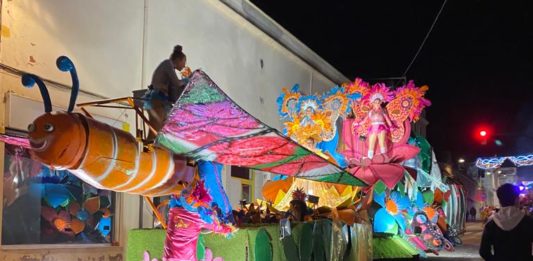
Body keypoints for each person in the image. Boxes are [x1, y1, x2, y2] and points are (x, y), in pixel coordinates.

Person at [145, 45, 188, 142]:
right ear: (178, 60)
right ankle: (149, 149)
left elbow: (174, 90)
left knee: (166, 127)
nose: (184, 65)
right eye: (184, 62)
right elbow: (177, 83)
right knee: (155, 130)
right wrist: (187, 80)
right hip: (156, 99)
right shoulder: (167, 64)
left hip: (162, 100)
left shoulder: (170, 68)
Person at [479, 183, 533, 261]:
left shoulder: (491, 223)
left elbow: (483, 251)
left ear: (500, 201)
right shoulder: (527, 221)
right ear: (516, 200)